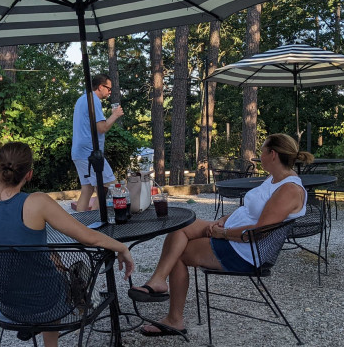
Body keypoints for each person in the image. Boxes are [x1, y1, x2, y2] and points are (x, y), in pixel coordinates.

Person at [128, 133, 311, 337]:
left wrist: (223, 234)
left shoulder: (289, 190)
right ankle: (158, 281)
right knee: (179, 229)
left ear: (273, 154)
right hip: (232, 233)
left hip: (246, 251)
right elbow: (252, 210)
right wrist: (226, 218)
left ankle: (174, 319)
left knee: (177, 254)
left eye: (262, 151)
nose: (259, 155)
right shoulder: (275, 179)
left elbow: (257, 233)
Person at [0, 141, 134, 347]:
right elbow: (88, 237)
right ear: (29, 174)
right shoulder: (38, 202)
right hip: (46, 302)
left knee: (46, 257)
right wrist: (122, 247)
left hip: (6, 305)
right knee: (68, 272)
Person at [72, 73, 123, 211]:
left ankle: (81, 225)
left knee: (87, 189)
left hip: (78, 152)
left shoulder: (82, 99)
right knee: (108, 187)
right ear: (100, 87)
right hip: (90, 153)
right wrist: (115, 115)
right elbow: (102, 128)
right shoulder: (93, 100)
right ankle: (96, 222)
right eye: (109, 88)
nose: (110, 92)